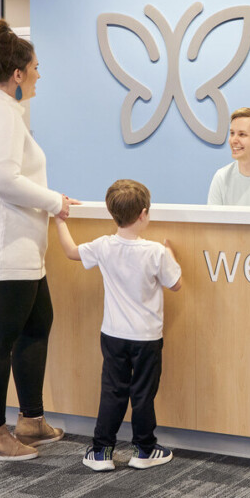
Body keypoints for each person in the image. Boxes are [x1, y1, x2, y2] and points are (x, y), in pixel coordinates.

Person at [0, 20, 77, 462]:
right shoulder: (2, 112)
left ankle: (30, 419)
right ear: (18, 74)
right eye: (36, 68)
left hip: (16, 247)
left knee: (37, 324)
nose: (40, 75)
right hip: (0, 247)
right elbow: (3, 179)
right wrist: (53, 201)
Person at [52, 178, 182, 472]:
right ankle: (144, 449)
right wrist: (171, 255)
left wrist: (60, 220)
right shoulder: (156, 252)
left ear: (113, 215)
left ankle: (102, 452)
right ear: (144, 213)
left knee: (113, 391)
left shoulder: (103, 246)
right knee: (142, 394)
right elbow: (176, 284)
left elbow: (71, 252)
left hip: (112, 335)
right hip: (147, 337)